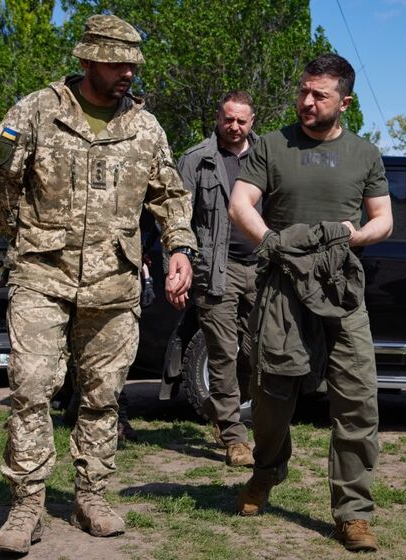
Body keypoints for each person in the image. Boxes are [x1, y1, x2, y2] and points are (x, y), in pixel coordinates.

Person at [0, 14, 197, 554]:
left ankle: (92, 497)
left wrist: (179, 249)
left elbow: (170, 196)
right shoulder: (36, 111)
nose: (128, 73)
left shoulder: (145, 127)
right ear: (86, 60)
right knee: (31, 388)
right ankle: (27, 505)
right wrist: (29, 237)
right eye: (117, 63)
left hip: (114, 282)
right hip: (43, 276)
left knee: (103, 396)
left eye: (133, 64)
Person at [228, 53, 393, 552]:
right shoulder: (271, 145)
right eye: (303, 90)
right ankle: (266, 471)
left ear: (345, 102)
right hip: (282, 289)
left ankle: (353, 512)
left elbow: (383, 219)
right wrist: (271, 242)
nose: (306, 101)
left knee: (357, 402)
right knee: (271, 398)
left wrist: (354, 237)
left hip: (341, 291)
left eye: (319, 95)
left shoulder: (364, 154)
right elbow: (240, 203)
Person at [177, 91, 259, 468]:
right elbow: (177, 218)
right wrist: (179, 264)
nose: (234, 126)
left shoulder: (268, 156)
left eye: (241, 120)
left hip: (262, 268)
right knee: (223, 352)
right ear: (218, 117)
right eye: (228, 119)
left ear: (252, 121)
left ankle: (218, 406)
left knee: (257, 352)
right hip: (215, 270)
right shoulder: (197, 159)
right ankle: (233, 436)